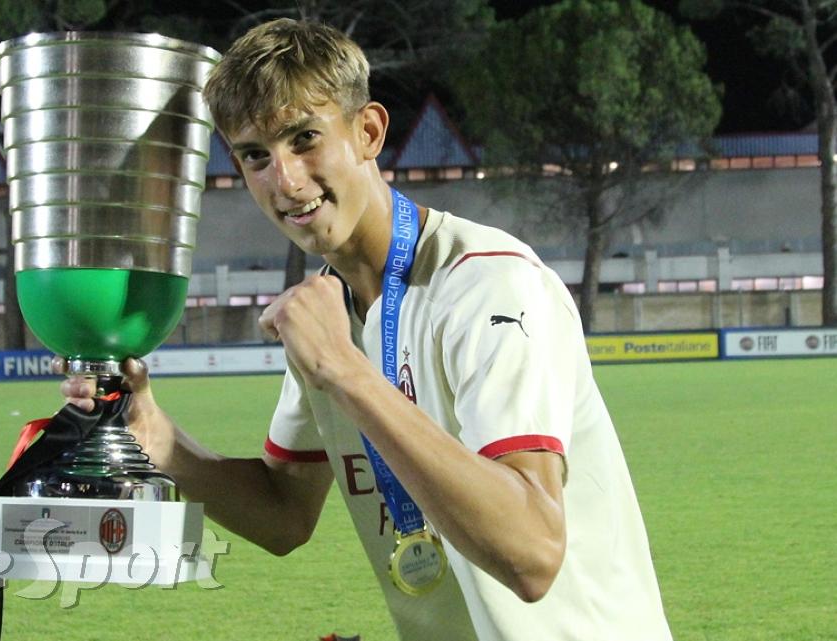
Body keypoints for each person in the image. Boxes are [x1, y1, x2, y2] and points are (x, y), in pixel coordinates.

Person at [64, 18, 672, 641]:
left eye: (305, 138)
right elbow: (283, 512)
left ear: (369, 132)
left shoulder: (488, 284)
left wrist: (346, 372)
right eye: (255, 156)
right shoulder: (331, 310)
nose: (285, 181)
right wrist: (155, 436)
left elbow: (533, 554)